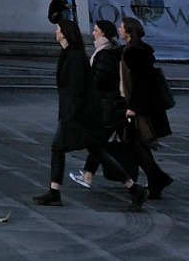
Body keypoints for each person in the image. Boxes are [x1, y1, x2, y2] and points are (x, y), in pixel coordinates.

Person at [36, 21, 142, 209]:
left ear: (65, 33)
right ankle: (134, 189)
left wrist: (73, 113)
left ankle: (55, 192)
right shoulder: (68, 53)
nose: (56, 32)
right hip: (76, 111)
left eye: (58, 29)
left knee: (59, 148)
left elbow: (78, 88)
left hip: (80, 113)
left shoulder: (75, 56)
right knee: (96, 152)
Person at [119, 18, 175, 199]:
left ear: (128, 32)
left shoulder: (133, 52)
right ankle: (156, 179)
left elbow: (139, 82)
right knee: (136, 143)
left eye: (121, 27)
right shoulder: (138, 50)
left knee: (135, 142)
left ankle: (157, 177)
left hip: (139, 107)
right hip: (144, 104)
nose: (119, 30)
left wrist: (133, 107)